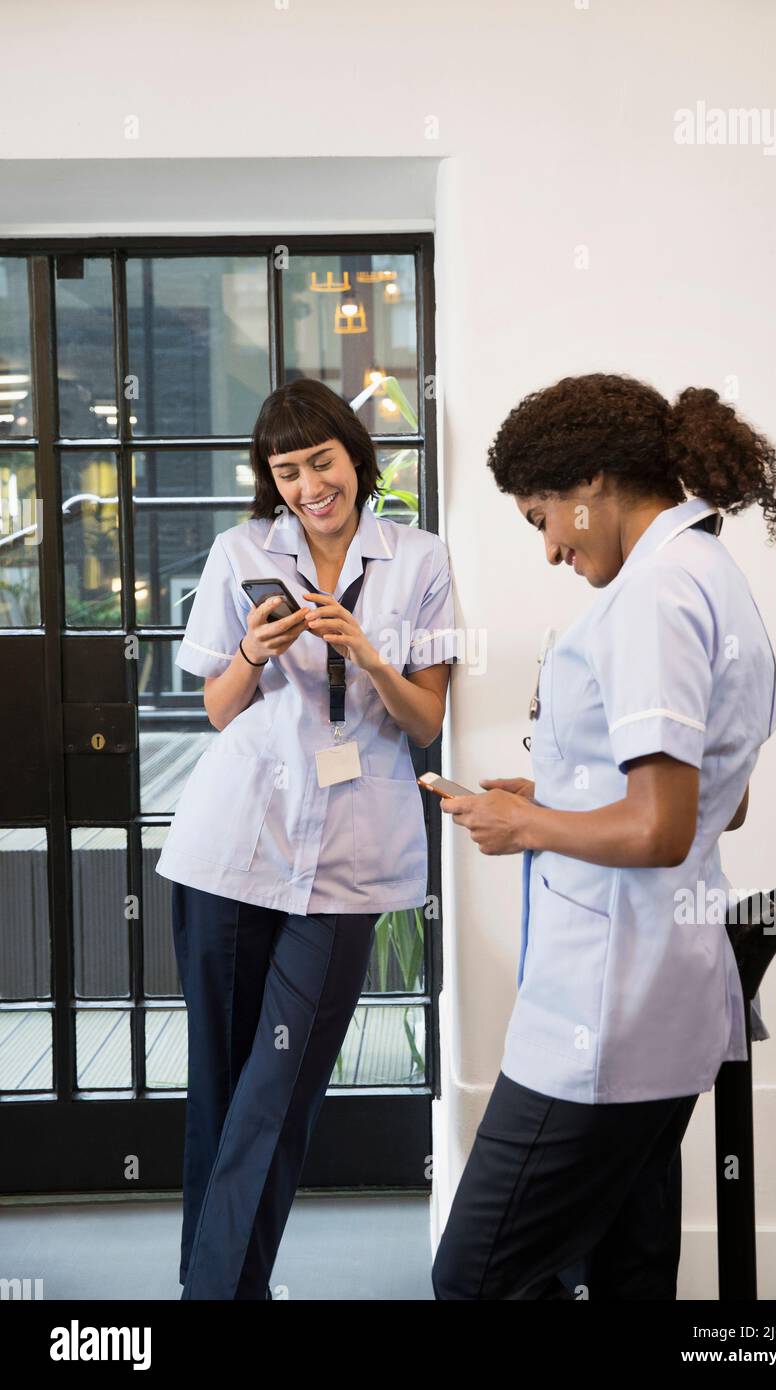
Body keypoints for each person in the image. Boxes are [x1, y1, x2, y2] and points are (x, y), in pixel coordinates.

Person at [432, 373, 776, 1300]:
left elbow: (664, 828)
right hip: (660, 1003)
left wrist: (525, 822)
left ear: (592, 485)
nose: (549, 548)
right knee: (625, 1271)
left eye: (542, 516)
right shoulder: (709, 573)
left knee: (475, 1274)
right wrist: (558, 792)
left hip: (606, 1016)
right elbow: (723, 801)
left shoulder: (651, 599)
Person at [155, 378, 458, 1300]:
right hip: (232, 848)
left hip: (348, 864)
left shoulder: (420, 559)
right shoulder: (238, 551)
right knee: (223, 1089)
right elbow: (215, 708)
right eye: (285, 472)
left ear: (356, 459)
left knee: (277, 1091)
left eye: (320, 463)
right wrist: (253, 651)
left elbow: (424, 717)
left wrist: (367, 650)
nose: (306, 487)